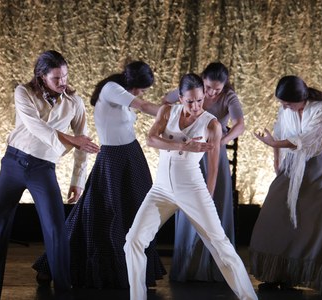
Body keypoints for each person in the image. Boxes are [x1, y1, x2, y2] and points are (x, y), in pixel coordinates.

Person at [0, 50, 100, 299]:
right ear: (41, 76)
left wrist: (77, 181)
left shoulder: (74, 102)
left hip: (42, 169)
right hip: (13, 164)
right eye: (56, 78)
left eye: (65, 76)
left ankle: (64, 291)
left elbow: (84, 145)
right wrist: (71, 140)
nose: (63, 82)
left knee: (56, 230)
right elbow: (37, 127)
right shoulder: (23, 92)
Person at [32, 61, 166, 288]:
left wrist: (179, 103)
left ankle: (134, 271)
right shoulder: (112, 89)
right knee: (94, 215)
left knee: (137, 212)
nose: (142, 92)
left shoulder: (122, 91)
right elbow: (143, 106)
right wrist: (173, 112)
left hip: (132, 156)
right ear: (132, 83)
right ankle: (52, 265)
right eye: (141, 87)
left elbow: (143, 103)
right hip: (112, 158)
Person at [124, 73, 258, 300]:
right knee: (133, 241)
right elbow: (151, 139)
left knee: (220, 246)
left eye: (200, 100)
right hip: (161, 190)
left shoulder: (212, 125)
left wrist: (208, 197)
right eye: (190, 101)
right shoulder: (167, 111)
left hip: (193, 190)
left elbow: (214, 168)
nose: (196, 106)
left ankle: (248, 297)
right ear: (180, 98)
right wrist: (183, 145)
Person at [248, 75, 322, 294]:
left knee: (319, 222)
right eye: (282, 103)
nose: (284, 107)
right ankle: (277, 273)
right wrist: (276, 161)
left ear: (301, 98)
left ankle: (320, 275)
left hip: (317, 167)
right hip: (291, 165)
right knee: (276, 214)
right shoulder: (286, 110)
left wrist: (274, 142)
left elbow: (306, 139)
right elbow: (279, 134)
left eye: (288, 103)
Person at [163, 62, 245, 282]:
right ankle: (189, 264)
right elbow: (166, 102)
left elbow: (240, 124)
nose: (210, 93)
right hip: (190, 153)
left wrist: (221, 141)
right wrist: (179, 131)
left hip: (212, 154)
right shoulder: (193, 91)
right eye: (208, 87)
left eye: (216, 90)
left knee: (214, 205)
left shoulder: (229, 97)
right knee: (189, 204)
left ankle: (218, 268)